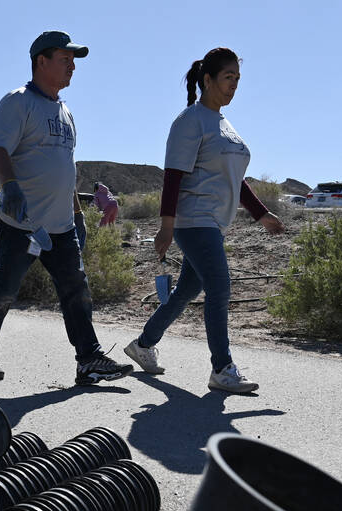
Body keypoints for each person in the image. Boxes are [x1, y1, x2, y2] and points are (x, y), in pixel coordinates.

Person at [0, 30, 132, 386]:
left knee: (76, 290)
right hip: (21, 223)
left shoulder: (65, 110)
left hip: (61, 226)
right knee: (6, 289)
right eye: (65, 59)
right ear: (41, 61)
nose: (72, 66)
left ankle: (88, 359)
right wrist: (9, 186)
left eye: (74, 61)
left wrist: (76, 215)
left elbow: (66, 169)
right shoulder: (17, 102)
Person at [121, 47, 285, 393]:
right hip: (194, 221)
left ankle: (144, 344)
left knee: (187, 291)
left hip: (213, 223)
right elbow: (173, 176)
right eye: (228, 78)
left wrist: (261, 213)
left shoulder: (224, 125)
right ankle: (222, 369)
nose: (234, 86)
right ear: (208, 79)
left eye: (238, 79)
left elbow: (233, 179)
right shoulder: (190, 121)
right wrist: (165, 227)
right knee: (220, 287)